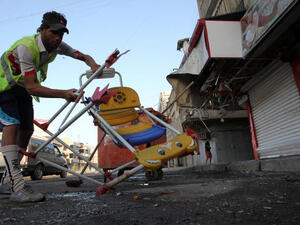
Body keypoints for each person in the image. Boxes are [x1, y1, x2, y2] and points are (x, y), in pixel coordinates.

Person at [0, 11, 99, 202]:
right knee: (12, 125)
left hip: (20, 88)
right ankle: (17, 186)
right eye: (54, 33)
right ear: (42, 29)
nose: (58, 37)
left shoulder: (57, 45)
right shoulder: (26, 47)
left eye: (61, 34)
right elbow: (32, 87)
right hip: (4, 87)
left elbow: (82, 55)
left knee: (27, 130)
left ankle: (7, 181)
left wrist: (93, 64)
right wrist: (64, 94)